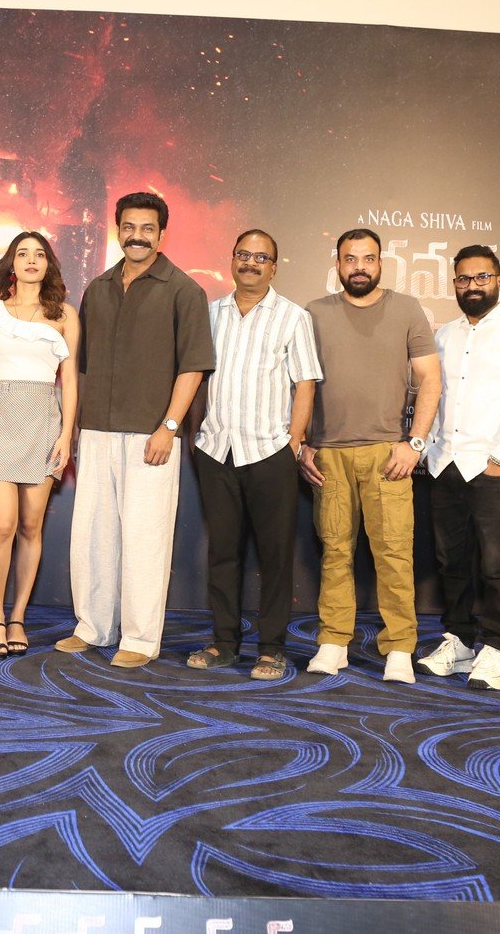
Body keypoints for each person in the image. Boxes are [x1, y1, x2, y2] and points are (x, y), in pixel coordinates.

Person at [56, 191, 213, 668]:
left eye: (147, 228)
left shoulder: (184, 290)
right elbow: (82, 368)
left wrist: (169, 426)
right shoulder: (98, 288)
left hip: (152, 435)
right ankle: (94, 627)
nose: (137, 236)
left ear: (162, 234)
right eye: (129, 227)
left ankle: (141, 639)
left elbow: (193, 367)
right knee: (93, 535)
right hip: (97, 431)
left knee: (145, 538)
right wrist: (77, 429)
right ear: (118, 230)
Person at [299, 228, 441, 683]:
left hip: (389, 455)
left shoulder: (407, 309)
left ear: (381, 263)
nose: (359, 267)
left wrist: (415, 443)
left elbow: (431, 379)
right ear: (337, 264)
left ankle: (399, 648)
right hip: (329, 455)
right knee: (335, 551)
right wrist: (301, 442)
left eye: (368, 258)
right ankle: (333, 641)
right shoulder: (314, 313)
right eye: (350, 259)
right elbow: (298, 382)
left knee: (395, 554)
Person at [186, 229, 320, 681]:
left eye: (261, 257)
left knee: (275, 556)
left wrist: (293, 442)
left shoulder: (293, 317)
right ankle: (224, 643)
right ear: (232, 260)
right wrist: (195, 436)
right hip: (216, 449)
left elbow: (305, 383)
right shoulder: (210, 314)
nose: (251, 263)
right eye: (244, 254)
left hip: (269, 452)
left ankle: (271, 649)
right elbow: (196, 377)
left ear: (274, 267)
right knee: (223, 553)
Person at [417, 244, 500, 691]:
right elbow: (432, 394)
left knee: (495, 563)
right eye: (463, 279)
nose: (472, 286)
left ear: (499, 281)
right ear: (454, 283)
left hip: (492, 466)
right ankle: (458, 640)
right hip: (445, 464)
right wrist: (430, 448)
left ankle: (495, 648)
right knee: (450, 560)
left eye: (481, 277)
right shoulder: (443, 335)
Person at [0, 231, 79, 658]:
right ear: (11, 263)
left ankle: (18, 617)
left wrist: (66, 434)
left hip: (44, 422)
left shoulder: (64, 314)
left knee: (32, 527)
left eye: (39, 254)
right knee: (3, 525)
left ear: (48, 263)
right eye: (22, 253)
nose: (31, 260)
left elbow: (70, 380)